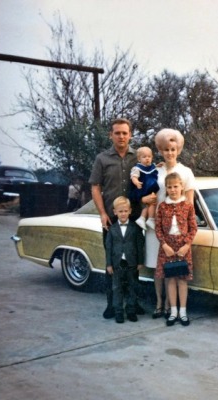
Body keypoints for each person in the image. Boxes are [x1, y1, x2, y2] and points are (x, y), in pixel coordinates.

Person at [89, 118, 144, 319]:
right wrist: (103, 213)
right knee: (112, 263)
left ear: (130, 135)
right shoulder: (102, 159)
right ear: (110, 135)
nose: (121, 136)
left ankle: (133, 304)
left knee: (133, 261)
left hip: (135, 217)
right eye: (117, 133)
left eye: (125, 133)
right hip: (111, 219)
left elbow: (151, 175)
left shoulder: (137, 158)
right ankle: (112, 305)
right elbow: (95, 187)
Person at [143, 128, 196, 320]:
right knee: (158, 267)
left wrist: (186, 236)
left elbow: (189, 204)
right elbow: (148, 195)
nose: (169, 153)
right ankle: (159, 303)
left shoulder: (186, 172)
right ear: (160, 150)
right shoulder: (154, 171)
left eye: (173, 149)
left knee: (174, 270)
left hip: (178, 231)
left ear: (179, 150)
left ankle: (170, 305)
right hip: (156, 225)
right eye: (165, 149)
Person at [154, 172, 197, 326]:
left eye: (175, 186)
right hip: (167, 247)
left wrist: (187, 245)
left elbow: (193, 228)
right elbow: (157, 228)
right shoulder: (162, 206)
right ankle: (173, 312)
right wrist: (164, 245)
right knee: (170, 279)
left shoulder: (187, 206)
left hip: (183, 247)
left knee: (182, 280)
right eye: (169, 187)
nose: (173, 190)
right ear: (166, 189)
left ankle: (183, 312)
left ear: (182, 187)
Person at [105, 196, 145, 323]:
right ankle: (118, 312)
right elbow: (109, 247)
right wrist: (109, 264)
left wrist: (140, 261)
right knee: (117, 288)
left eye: (125, 211)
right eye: (120, 211)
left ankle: (131, 310)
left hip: (131, 263)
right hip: (117, 263)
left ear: (130, 211)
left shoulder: (135, 228)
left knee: (132, 287)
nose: (123, 214)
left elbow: (140, 245)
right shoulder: (112, 229)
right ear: (115, 212)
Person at [130, 146, 159, 231]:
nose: (147, 159)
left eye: (149, 157)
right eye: (144, 157)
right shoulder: (137, 168)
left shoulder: (152, 167)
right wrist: (136, 182)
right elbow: (134, 176)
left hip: (151, 189)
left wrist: (158, 165)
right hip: (144, 189)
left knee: (152, 204)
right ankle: (144, 218)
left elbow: (154, 170)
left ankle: (149, 219)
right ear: (139, 159)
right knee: (147, 204)